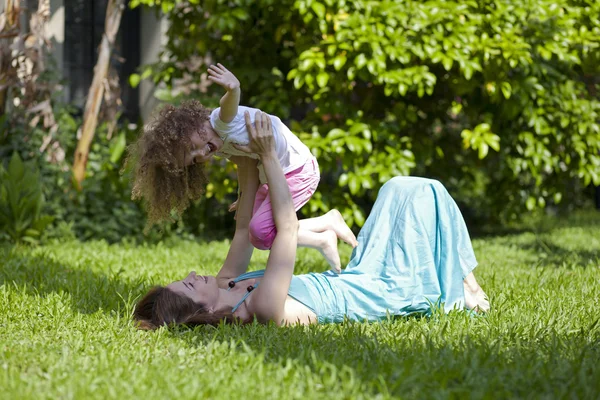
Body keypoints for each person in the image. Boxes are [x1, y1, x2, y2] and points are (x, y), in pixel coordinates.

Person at [133, 111, 490, 329]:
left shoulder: (228, 283)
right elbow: (287, 227)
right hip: (379, 292)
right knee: (421, 189)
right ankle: (466, 286)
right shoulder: (264, 308)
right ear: (206, 309)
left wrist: (245, 159)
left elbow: (244, 227)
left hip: (358, 276)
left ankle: (465, 282)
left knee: (398, 188)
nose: (194, 275)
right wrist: (269, 156)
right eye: (191, 285)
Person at [127, 63, 356, 272]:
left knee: (260, 233)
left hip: (298, 170)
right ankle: (323, 236)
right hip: (275, 176)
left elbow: (228, 106)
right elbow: (246, 165)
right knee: (255, 233)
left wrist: (232, 88)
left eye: (193, 147)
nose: (201, 154)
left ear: (195, 124)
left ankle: (325, 227)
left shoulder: (219, 122)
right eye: (194, 159)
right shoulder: (221, 146)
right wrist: (248, 195)